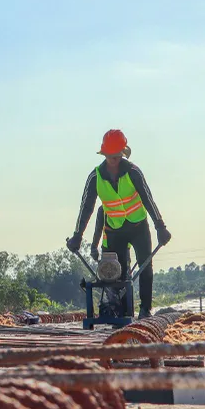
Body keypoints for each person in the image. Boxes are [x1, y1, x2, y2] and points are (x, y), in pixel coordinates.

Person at [67, 129, 171, 319]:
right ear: (104, 154)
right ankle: (123, 312)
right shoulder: (95, 177)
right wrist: (77, 235)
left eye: (116, 155)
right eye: (110, 156)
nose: (113, 159)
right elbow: (86, 208)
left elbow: (148, 199)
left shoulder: (133, 172)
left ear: (122, 153)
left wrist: (160, 226)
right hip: (114, 230)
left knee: (145, 265)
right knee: (117, 272)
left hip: (138, 226)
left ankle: (145, 309)